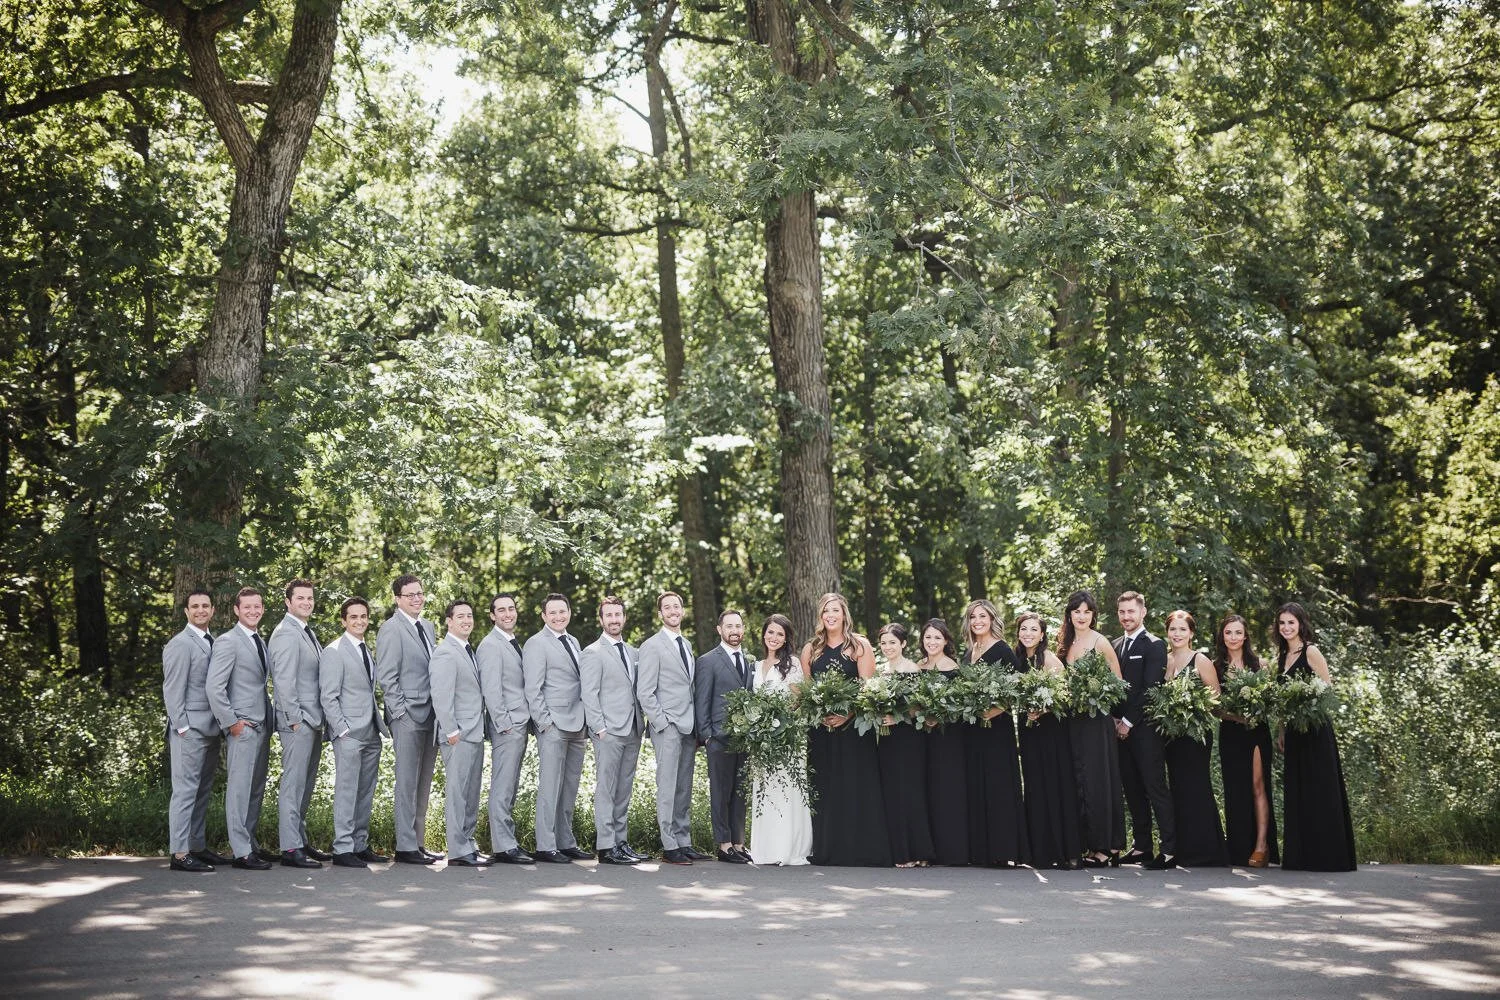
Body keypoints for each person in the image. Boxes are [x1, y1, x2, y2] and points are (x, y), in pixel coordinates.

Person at [802, 593, 891, 867]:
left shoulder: (859, 646)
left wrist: (848, 712)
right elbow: (807, 692)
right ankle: (829, 850)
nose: (830, 615)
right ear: (820, 616)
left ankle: (862, 850)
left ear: (844, 615)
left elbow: (868, 689)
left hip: (854, 729)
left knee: (855, 785)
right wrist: (821, 711)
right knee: (826, 786)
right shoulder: (811, 649)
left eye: (835, 610)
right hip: (821, 730)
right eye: (826, 611)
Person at [1275, 602, 1357, 871]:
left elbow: (1328, 692)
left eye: (1291, 623)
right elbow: (1281, 702)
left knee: (1321, 789)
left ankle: (1329, 856)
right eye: (1282, 623)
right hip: (1294, 734)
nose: (1286, 628)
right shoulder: (1280, 656)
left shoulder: (1311, 652)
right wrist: (1282, 730)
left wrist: (1306, 705)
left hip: (1316, 730)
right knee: (1298, 790)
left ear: (1301, 624)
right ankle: (1302, 856)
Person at [636, 591, 708, 865]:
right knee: (667, 786)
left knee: (683, 787)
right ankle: (669, 845)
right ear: (660, 614)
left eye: (676, 606)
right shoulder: (652, 646)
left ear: (682, 610)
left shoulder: (685, 643)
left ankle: (683, 840)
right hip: (667, 725)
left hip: (688, 725)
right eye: (667, 607)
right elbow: (645, 692)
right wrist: (662, 723)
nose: (673, 610)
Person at [206, 587, 274, 870]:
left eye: (257, 606)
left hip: (262, 725)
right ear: (236, 609)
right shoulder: (228, 642)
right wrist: (231, 722)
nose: (253, 611)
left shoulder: (260, 640)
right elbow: (214, 686)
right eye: (247, 607)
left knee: (255, 788)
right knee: (239, 790)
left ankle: (250, 844)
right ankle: (241, 852)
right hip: (242, 727)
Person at [318, 597, 390, 868]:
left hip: (371, 731)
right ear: (343, 621)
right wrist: (343, 730)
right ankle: (342, 848)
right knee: (347, 791)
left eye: (363, 616)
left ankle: (359, 845)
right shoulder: (334, 651)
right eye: (354, 617)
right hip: (348, 733)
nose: (360, 621)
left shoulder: (364, 649)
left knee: (365, 791)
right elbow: (328, 696)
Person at [523, 593, 593, 863]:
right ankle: (545, 845)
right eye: (552, 613)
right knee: (550, 786)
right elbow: (533, 688)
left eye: (562, 611)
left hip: (577, 724)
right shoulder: (536, 644)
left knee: (569, 786)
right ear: (543, 616)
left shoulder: (573, 641)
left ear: (569, 612)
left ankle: (566, 841)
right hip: (553, 724)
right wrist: (545, 723)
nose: (558, 616)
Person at [1059, 590, 1127, 868]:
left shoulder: (1101, 642)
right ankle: (1088, 842)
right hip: (1073, 721)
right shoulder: (1065, 642)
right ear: (1070, 615)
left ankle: (1107, 847)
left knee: (1099, 781)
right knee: (1080, 781)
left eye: (1087, 612)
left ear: (1093, 615)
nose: (1082, 616)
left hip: (1096, 721)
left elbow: (1118, 683)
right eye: (1077, 611)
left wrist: (1095, 696)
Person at [375, 574, 440, 865]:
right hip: (407, 716)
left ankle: (418, 842)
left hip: (431, 714)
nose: (417, 598)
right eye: (410, 594)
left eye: (419, 593)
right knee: (406, 781)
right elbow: (387, 677)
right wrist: (400, 713)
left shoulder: (428, 627)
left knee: (422, 782)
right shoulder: (391, 629)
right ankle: (404, 845)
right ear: (397, 599)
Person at [162, 588, 228, 872]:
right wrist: (183, 727)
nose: (201, 610)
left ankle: (196, 846)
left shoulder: (211, 641)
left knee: (202, 791)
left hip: (210, 729)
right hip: (189, 731)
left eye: (206, 606)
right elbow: (172, 690)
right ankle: (179, 854)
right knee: (185, 791)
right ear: (186, 612)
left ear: (212, 610)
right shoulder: (180, 644)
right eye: (195, 606)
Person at [1112, 590, 1176, 870]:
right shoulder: (1114, 645)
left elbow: (1150, 690)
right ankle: (1141, 847)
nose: (1127, 617)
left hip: (1145, 731)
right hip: (1119, 731)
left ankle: (1170, 850)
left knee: (1155, 788)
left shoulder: (1155, 645)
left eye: (1131, 611)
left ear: (1143, 612)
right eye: (1122, 612)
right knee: (1132, 790)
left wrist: (1127, 721)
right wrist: (1116, 720)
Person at [1013, 612, 1082, 870]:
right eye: (1023, 629)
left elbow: (1065, 697)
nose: (1028, 633)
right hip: (1029, 730)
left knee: (1055, 786)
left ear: (1042, 634)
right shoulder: (1019, 659)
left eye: (1033, 629)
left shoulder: (1049, 660)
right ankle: (1039, 852)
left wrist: (1043, 708)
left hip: (1051, 730)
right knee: (1034, 786)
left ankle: (1066, 851)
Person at [962, 599, 1028, 867]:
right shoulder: (969, 652)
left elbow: (1015, 689)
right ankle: (981, 850)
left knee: (998, 785)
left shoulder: (1002, 650)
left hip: (996, 728)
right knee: (977, 783)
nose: (978, 621)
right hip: (973, 729)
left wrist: (996, 709)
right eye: (973, 617)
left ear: (991, 619)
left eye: (982, 616)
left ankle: (1004, 850)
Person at [268, 578, 328, 868]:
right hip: (298, 722)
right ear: (288, 602)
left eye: (310, 598)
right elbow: (283, 681)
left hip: (312, 720)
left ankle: (300, 840)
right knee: (293, 785)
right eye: (300, 598)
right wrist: (294, 721)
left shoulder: (304, 631)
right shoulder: (285, 634)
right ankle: (290, 848)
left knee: (305, 785)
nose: (306, 602)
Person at [580, 596, 644, 866]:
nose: (614, 619)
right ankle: (606, 846)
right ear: (601, 619)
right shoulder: (592, 652)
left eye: (618, 614)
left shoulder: (633, 652)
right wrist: (600, 728)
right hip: (608, 730)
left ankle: (621, 841)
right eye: (609, 615)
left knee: (623, 789)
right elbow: (589, 693)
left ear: (624, 618)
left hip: (632, 728)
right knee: (606, 788)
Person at [1161, 610, 1228, 867]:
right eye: (1173, 629)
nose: (1177, 634)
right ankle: (1183, 849)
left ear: (1191, 633)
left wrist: (1191, 707)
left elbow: (1216, 700)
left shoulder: (1200, 660)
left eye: (1182, 629)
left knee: (1196, 787)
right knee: (1177, 789)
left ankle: (1206, 851)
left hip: (1196, 735)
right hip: (1172, 736)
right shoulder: (1164, 660)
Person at [748, 614, 813, 866]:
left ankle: (787, 848)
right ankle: (765, 849)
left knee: (787, 790)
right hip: (762, 740)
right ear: (764, 634)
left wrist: (779, 721)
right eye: (770, 632)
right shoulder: (757, 665)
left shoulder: (793, 664)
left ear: (786, 639)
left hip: (787, 738)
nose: (773, 637)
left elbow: (798, 701)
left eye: (779, 634)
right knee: (766, 790)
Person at [475, 593, 535, 864]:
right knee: (502, 785)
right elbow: (491, 689)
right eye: (501, 610)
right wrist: (504, 724)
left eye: (511, 608)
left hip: (518, 723)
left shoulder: (510, 642)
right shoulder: (490, 645)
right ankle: (503, 846)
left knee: (509, 785)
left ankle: (507, 841)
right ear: (492, 615)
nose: (507, 614)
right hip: (507, 726)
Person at [1215, 613, 1278, 868]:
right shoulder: (1215, 666)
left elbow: (1271, 702)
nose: (1233, 637)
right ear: (1222, 636)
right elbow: (1214, 708)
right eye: (1228, 632)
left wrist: (1255, 713)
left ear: (1246, 635)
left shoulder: (1260, 664)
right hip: (1230, 732)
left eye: (1238, 632)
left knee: (1258, 785)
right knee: (1234, 790)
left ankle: (1262, 846)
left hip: (1256, 732)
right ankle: (1238, 848)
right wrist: (1235, 715)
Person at [430, 599, 490, 867]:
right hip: (459, 734)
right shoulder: (445, 652)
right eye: (461, 616)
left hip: (474, 731)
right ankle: (457, 850)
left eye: (470, 615)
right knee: (458, 793)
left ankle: (468, 843)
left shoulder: (467, 649)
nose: (467, 620)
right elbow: (441, 695)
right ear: (449, 621)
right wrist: (451, 730)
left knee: (470, 792)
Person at [694, 609, 754, 863]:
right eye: (729, 626)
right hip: (718, 738)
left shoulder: (749, 662)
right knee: (721, 792)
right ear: (719, 630)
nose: (734, 631)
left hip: (744, 738)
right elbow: (702, 700)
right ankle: (724, 844)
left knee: (740, 792)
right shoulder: (708, 660)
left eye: (738, 626)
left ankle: (739, 843)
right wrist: (707, 735)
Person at [874, 623, 933, 868]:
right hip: (886, 739)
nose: (888, 647)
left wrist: (897, 717)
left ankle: (916, 851)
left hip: (908, 738)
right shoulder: (880, 670)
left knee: (910, 791)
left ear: (903, 644)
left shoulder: (911, 668)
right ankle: (898, 850)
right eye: (884, 643)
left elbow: (919, 706)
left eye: (892, 643)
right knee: (893, 793)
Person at [919, 618, 970, 866]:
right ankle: (931, 849)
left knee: (947, 789)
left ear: (946, 641)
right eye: (928, 637)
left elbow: (960, 706)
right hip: (923, 738)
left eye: (937, 637)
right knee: (927, 788)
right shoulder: (918, 667)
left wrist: (938, 716)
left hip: (948, 737)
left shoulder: (953, 669)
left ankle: (952, 850)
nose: (932, 642)